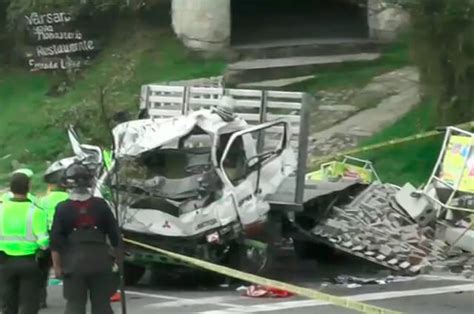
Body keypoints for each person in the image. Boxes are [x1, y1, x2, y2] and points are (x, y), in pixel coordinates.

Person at [50, 162, 122, 314]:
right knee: (102, 305)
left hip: (73, 265)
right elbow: (115, 236)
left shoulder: (62, 208)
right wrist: (117, 261)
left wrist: (57, 267)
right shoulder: (101, 205)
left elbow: (55, 242)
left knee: (75, 305)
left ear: (67, 183)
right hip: (101, 263)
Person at [0, 171, 50, 314]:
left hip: (4, 262)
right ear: (29, 188)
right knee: (29, 304)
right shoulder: (36, 211)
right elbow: (44, 242)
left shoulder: (1, 209)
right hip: (29, 262)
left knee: (8, 304)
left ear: (10, 188)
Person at [38, 158, 74, 309]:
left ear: (51, 186)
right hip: (67, 237)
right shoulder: (70, 198)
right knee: (71, 268)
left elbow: (38, 219)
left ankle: (41, 299)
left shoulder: (43, 200)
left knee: (42, 272)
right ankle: (73, 297)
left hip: (48, 236)